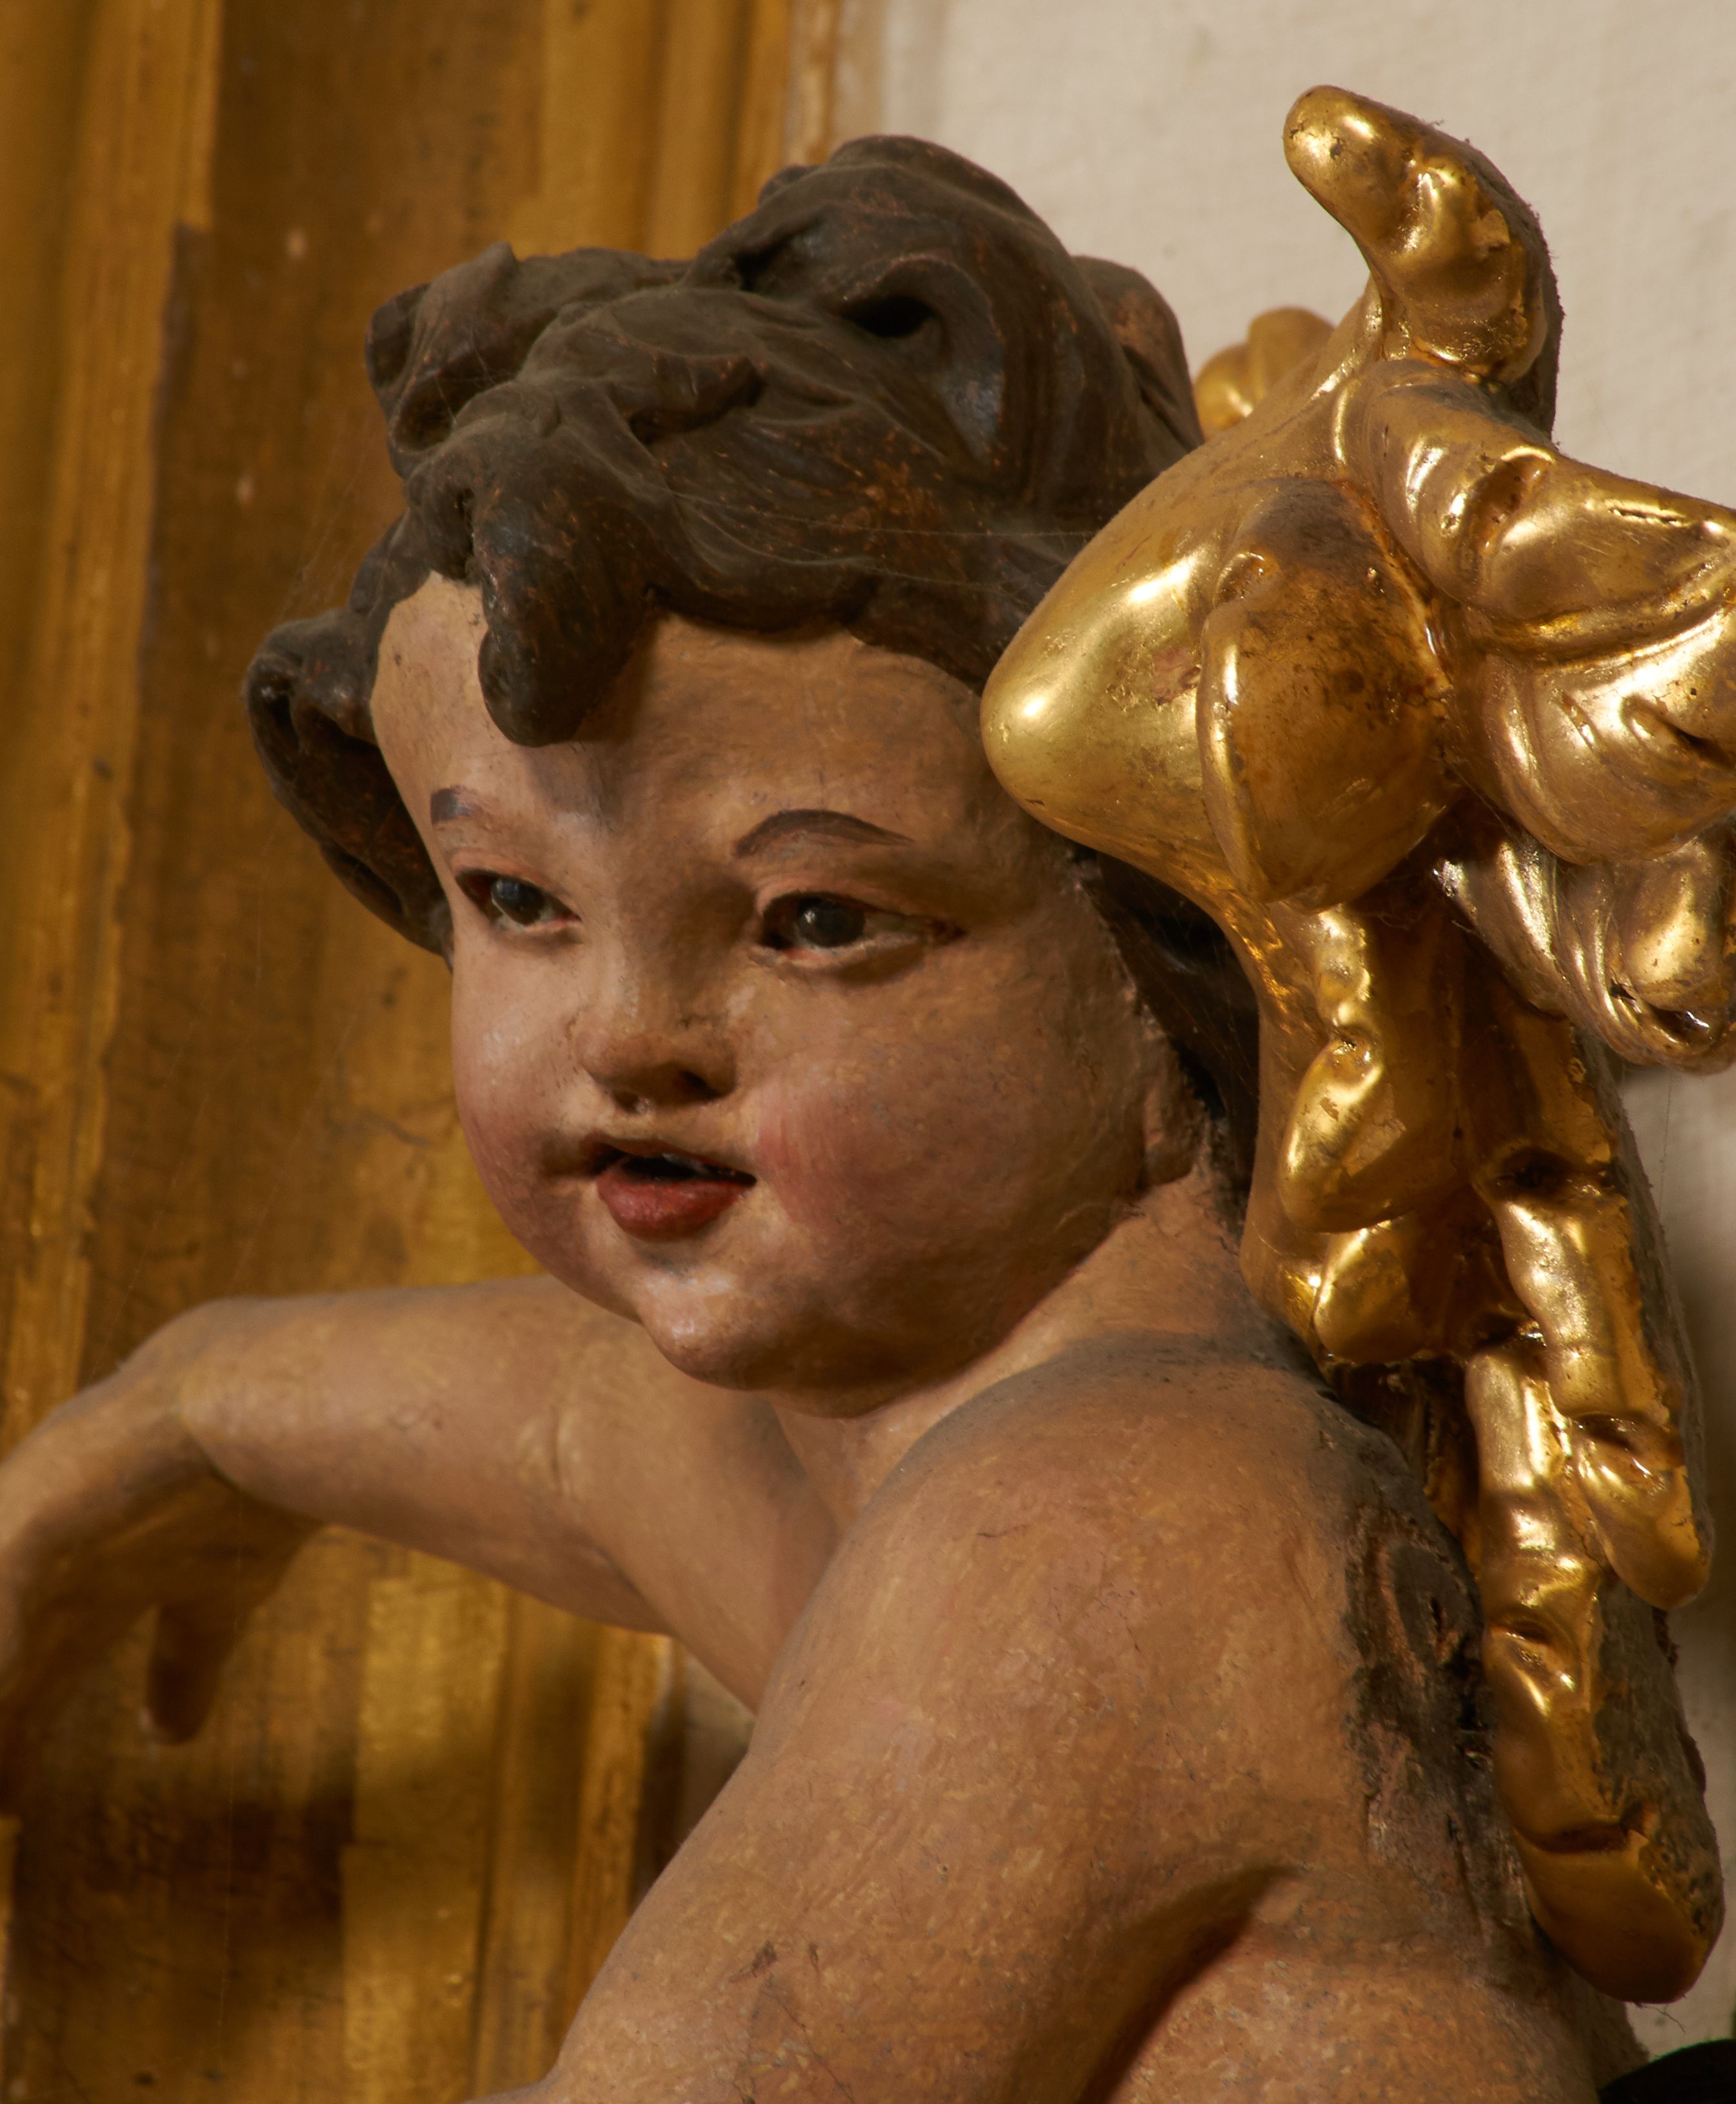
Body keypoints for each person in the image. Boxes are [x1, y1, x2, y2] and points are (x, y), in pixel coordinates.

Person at [0, 131, 1659, 2099]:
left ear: (1176, 945)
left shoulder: (1114, 1532)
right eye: (517, 901)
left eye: (814, 921)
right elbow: (564, 1432)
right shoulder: (918, 1436)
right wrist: (177, 1423)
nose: (633, 1036)